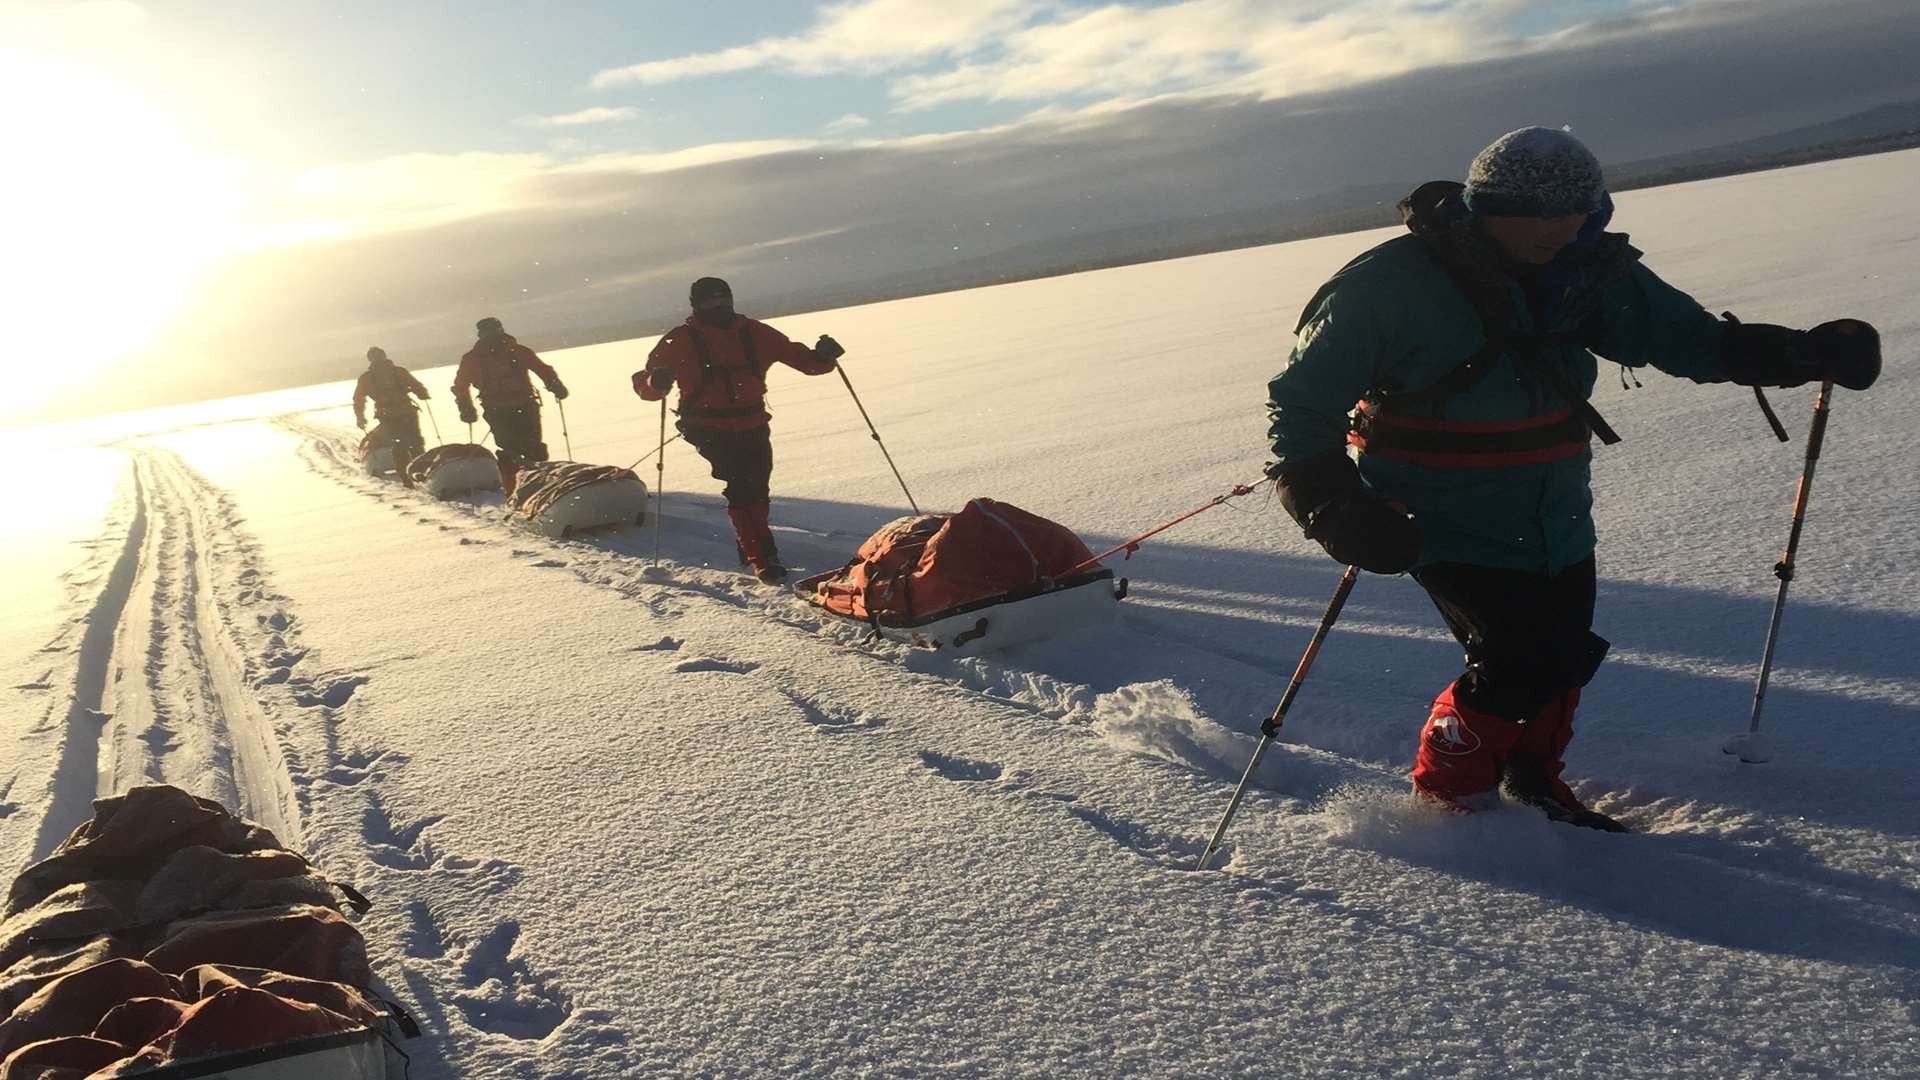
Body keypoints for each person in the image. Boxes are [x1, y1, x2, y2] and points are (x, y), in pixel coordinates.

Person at [1265, 127, 1880, 832]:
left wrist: (1799, 354)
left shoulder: (1585, 271)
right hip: (1439, 514)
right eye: (1537, 213)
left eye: (1579, 212)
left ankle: (1533, 781)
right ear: (1484, 206)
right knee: (1519, 658)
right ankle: (1451, 801)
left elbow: (1686, 338)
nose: (1561, 228)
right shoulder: (1387, 286)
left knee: (1563, 652)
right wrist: (1330, 503)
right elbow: (1301, 404)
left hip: (1556, 508)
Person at [633, 277, 844, 584]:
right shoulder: (678, 340)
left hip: (753, 422)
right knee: (742, 485)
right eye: (710, 302)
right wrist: (656, 381)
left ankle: (750, 543)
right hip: (706, 426)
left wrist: (825, 356)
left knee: (757, 486)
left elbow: (805, 362)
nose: (719, 307)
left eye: (723, 300)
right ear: (696, 305)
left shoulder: (755, 332)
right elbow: (646, 385)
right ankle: (762, 557)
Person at [452, 316, 568, 495]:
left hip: (500, 410)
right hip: (521, 407)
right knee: (530, 449)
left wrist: (465, 407)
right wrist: (555, 385)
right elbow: (543, 370)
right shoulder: (516, 350)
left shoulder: (474, 358)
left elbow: (460, 386)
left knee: (513, 450)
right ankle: (531, 488)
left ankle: (516, 489)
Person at [353, 347, 431, 479]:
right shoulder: (399, 372)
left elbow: (358, 399)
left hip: (387, 416)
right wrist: (422, 394)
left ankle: (405, 473)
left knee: (399, 444)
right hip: (407, 412)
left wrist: (360, 417)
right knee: (415, 441)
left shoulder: (366, 378)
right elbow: (417, 386)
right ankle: (420, 469)